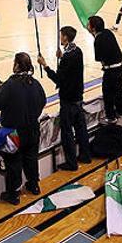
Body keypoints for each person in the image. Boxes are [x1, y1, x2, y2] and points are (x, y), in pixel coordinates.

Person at [0, 53, 47, 205]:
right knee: (31, 158)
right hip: (33, 129)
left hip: (14, 133)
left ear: (16, 65)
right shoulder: (34, 82)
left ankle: (13, 194)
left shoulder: (10, 84)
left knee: (13, 163)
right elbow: (43, 100)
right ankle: (34, 185)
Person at [38, 26, 91, 172]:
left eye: (61, 36)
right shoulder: (77, 51)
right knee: (81, 129)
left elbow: (59, 80)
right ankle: (86, 155)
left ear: (66, 37)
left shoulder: (68, 57)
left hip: (68, 100)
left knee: (67, 132)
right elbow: (72, 69)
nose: (59, 38)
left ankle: (71, 163)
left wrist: (46, 66)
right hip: (78, 96)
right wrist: (62, 58)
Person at [87, 16, 122, 122]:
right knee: (118, 91)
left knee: (108, 94)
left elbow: (98, 58)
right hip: (120, 67)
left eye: (89, 25)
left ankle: (110, 117)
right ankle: (121, 112)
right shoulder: (108, 32)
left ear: (93, 28)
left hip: (110, 70)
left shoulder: (98, 40)